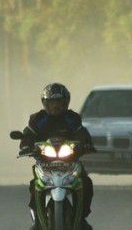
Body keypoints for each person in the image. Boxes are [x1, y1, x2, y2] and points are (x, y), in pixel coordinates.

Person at [19, 83, 95, 229]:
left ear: (65, 102)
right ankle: (37, 221)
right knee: (34, 185)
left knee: (86, 183)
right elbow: (27, 136)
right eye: (52, 102)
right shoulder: (37, 119)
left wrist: (86, 144)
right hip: (44, 162)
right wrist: (26, 145)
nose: (55, 106)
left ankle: (81, 218)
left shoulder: (73, 118)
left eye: (58, 102)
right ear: (45, 103)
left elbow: (83, 134)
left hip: (70, 162)